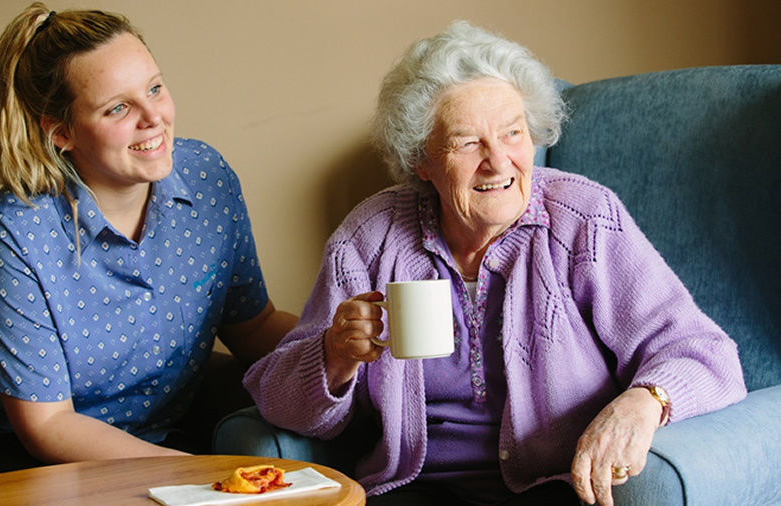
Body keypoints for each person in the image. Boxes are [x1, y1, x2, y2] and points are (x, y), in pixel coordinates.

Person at [243, 21, 746, 506]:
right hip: (413, 488)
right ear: (422, 159)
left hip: (556, 485)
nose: (499, 161)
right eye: (468, 143)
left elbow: (705, 354)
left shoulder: (583, 220)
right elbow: (279, 399)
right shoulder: (370, 237)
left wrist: (642, 404)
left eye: (512, 133)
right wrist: (335, 354)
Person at [0, 2, 296, 485]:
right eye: (118, 107)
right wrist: (205, 478)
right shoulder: (16, 230)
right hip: (3, 451)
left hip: (152, 441)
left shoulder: (208, 178)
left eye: (155, 89)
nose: (154, 118)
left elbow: (254, 325)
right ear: (61, 132)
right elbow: (47, 425)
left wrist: (340, 348)